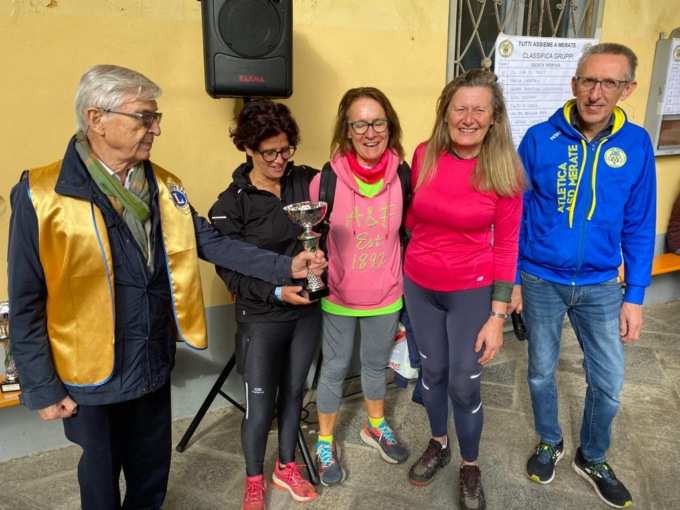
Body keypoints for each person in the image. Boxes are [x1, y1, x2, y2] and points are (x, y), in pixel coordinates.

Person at [6, 65, 325, 510]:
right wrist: (42, 386)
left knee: (151, 474)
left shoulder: (163, 186)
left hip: (152, 360)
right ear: (97, 119)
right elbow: (26, 299)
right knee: (99, 481)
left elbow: (212, 243)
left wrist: (285, 266)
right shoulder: (41, 193)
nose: (156, 128)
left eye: (155, 117)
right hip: (88, 373)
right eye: (145, 117)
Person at [509, 43, 656, 509]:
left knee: (609, 381)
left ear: (627, 89)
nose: (596, 93)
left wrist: (635, 294)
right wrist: (513, 279)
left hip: (601, 285)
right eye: (589, 80)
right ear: (574, 83)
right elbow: (516, 213)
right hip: (540, 280)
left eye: (610, 82)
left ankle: (592, 456)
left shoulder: (636, 145)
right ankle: (549, 440)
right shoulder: (539, 139)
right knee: (540, 372)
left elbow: (640, 222)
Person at [403, 69, 525, 510]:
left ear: (494, 118)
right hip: (419, 285)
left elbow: (507, 244)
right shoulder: (424, 155)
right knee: (431, 373)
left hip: (471, 290)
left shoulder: (504, 170)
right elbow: (412, 218)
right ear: (446, 112)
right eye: (460, 108)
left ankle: (470, 465)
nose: (468, 118)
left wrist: (497, 316)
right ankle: (439, 442)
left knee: (464, 384)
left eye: (479, 110)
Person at [208, 99, 321, 510]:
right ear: (248, 148)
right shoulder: (229, 205)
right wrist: (275, 291)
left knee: (293, 394)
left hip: (306, 313)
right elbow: (231, 275)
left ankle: (286, 466)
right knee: (259, 407)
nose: (279, 160)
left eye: (286, 149)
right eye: (269, 152)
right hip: (261, 318)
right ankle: (254, 479)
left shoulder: (305, 181)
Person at [309, 87, 410, 486]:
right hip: (339, 296)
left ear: (390, 127)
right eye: (360, 124)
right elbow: (311, 241)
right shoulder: (324, 182)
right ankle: (325, 441)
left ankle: (375, 426)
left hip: (386, 295)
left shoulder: (404, 176)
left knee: (374, 366)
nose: (371, 132)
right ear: (347, 130)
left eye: (378, 122)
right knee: (333, 369)